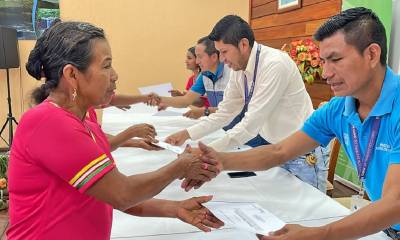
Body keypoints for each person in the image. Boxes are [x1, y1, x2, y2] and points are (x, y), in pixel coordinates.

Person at [187, 8, 400, 240]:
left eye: (336, 59)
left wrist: (319, 234)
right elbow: (280, 151)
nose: (326, 73)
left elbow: (394, 203)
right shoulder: (338, 108)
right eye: (323, 61)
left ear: (371, 54)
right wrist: (218, 161)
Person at [7, 21, 223, 239]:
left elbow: (109, 194)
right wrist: (180, 166)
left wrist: (175, 208)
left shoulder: (86, 124)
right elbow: (123, 193)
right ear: (72, 75)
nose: (115, 75)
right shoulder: (48, 122)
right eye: (106, 65)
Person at [166, 15, 328, 192]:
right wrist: (187, 133)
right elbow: (225, 113)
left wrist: (207, 152)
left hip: (301, 153)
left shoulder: (275, 64)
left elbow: (251, 124)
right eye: (219, 52)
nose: (221, 59)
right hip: (273, 149)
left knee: (309, 215)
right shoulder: (238, 68)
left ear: (243, 45)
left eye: (224, 52)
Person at [152, 37, 231, 119]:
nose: (197, 62)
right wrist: (159, 99)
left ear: (214, 57)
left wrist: (205, 111)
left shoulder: (231, 74)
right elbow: (186, 100)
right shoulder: (204, 75)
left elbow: (232, 109)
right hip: (219, 124)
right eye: (196, 57)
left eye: (200, 57)